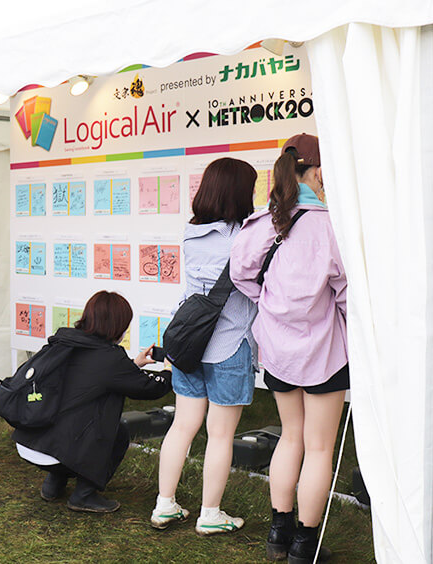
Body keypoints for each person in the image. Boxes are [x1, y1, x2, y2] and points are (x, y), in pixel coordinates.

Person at [230, 134, 347, 563]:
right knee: (318, 447)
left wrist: (271, 303)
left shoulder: (263, 222)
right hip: (324, 352)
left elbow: (241, 274)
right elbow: (348, 292)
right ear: (317, 172)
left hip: (277, 348)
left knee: (290, 436)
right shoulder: (331, 226)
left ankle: (279, 533)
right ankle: (305, 545)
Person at [150, 158, 259, 536]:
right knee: (220, 434)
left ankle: (165, 505)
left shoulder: (191, 233)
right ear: (238, 193)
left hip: (188, 343)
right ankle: (210, 514)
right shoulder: (244, 237)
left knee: (182, 425)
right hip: (229, 344)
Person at [12, 291, 171, 513]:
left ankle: (53, 484)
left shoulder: (67, 342)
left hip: (29, 440)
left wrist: (133, 365)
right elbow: (151, 388)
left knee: (73, 418)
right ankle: (84, 494)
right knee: (117, 433)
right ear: (117, 326)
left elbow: (95, 375)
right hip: (55, 448)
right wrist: (168, 371)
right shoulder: (110, 358)